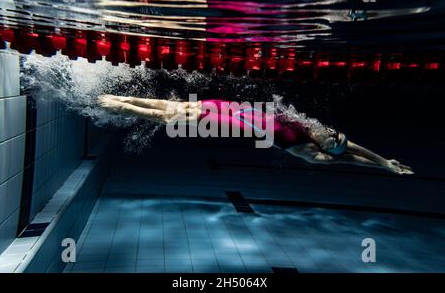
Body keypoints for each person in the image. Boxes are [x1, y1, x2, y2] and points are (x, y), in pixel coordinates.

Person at [97, 94, 414, 175]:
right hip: (239, 109)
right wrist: (385, 160)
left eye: (331, 138)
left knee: (168, 115)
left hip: (234, 124)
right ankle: (122, 100)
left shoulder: (312, 152)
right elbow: (353, 148)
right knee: (172, 105)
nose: (329, 131)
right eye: (334, 132)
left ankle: (116, 106)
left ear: (327, 150)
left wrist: (378, 167)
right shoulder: (322, 135)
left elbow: (350, 159)